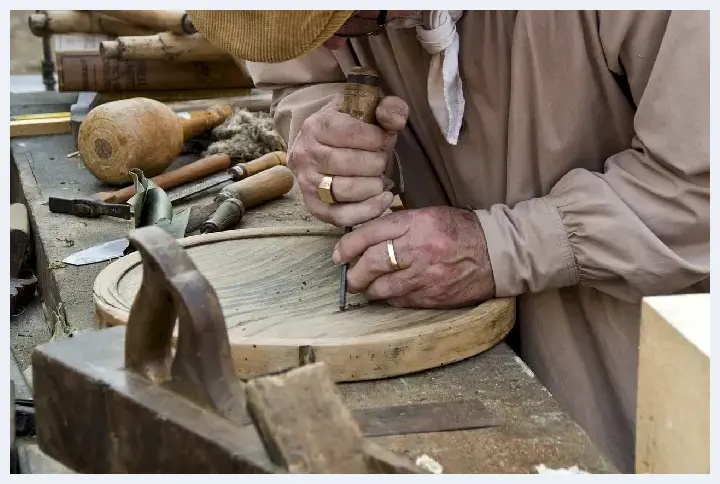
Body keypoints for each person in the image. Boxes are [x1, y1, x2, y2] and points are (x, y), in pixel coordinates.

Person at [188, 10, 710, 472]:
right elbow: (301, 77)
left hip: (642, 360)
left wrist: (499, 247)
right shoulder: (326, 31)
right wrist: (327, 139)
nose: (329, 44)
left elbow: (699, 191)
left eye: (343, 21)